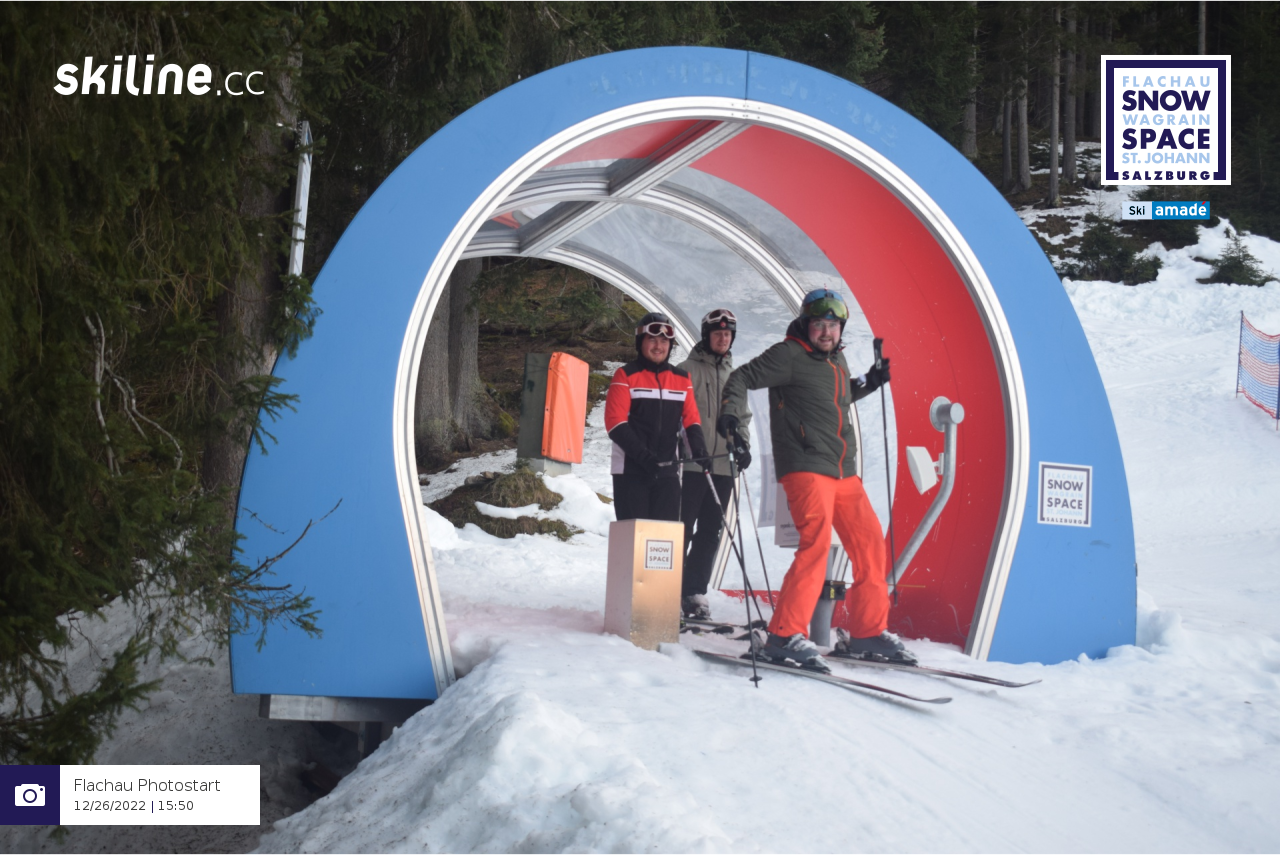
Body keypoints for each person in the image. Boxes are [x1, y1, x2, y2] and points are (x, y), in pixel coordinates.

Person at [717, 289, 908, 673]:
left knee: (870, 544)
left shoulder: (836, 361)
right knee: (816, 545)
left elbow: (837, 398)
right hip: (805, 466)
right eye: (819, 324)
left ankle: (869, 631)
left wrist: (869, 381)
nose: (826, 332)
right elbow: (741, 377)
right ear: (807, 325)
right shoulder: (789, 354)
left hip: (843, 471)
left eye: (833, 326)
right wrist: (731, 417)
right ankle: (784, 634)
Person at [676, 309, 752, 620]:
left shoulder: (736, 377)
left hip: (723, 466)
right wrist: (685, 448)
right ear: (706, 336)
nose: (723, 338)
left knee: (710, 531)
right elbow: (676, 416)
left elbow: (742, 417)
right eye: (718, 333)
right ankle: (667, 587)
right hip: (693, 465)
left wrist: (743, 445)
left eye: (728, 334)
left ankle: (694, 592)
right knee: (681, 528)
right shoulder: (685, 370)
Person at [605, 312, 709, 522]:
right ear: (640, 342)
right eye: (652, 340)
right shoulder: (625, 375)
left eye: (664, 341)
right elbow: (615, 423)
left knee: (663, 538)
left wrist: (698, 449)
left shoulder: (682, 379)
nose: (658, 346)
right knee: (634, 538)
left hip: (667, 474)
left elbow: (690, 421)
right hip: (631, 472)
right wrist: (643, 457)